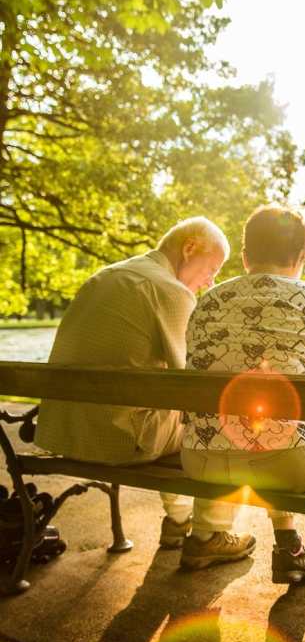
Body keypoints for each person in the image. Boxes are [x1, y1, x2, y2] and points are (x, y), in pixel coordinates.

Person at [35, 217, 256, 560]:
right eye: (211, 267)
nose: (211, 280)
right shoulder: (171, 291)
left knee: (167, 414)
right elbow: (193, 383)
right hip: (116, 440)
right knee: (222, 426)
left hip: (64, 431)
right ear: (189, 248)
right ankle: (210, 534)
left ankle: (178, 520)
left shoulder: (107, 275)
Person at [181, 204, 305, 600]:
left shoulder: (207, 302)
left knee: (261, 425)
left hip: (202, 459)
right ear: (301, 257)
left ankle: (289, 544)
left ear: (245, 257)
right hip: (288, 467)